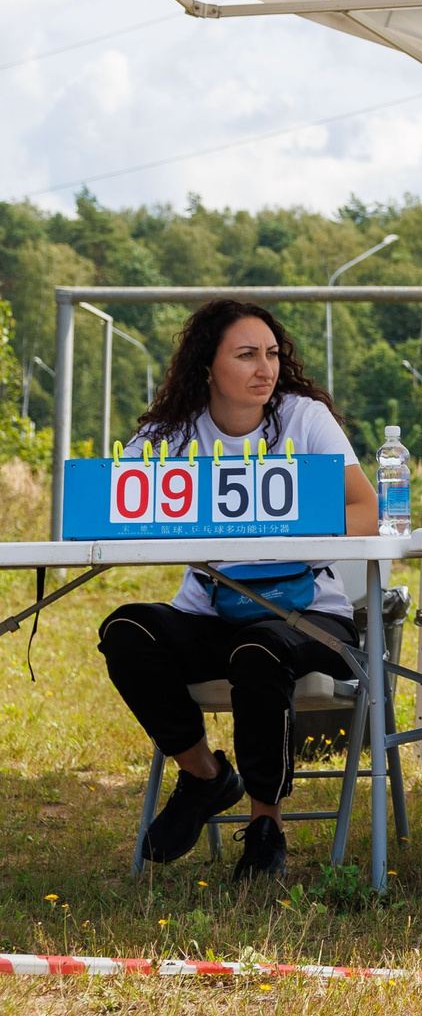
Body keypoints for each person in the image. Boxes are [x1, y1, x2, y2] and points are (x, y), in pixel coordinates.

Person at [98, 299, 380, 880]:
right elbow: (117, 514)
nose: (265, 368)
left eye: (272, 354)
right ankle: (204, 776)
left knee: (259, 651)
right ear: (207, 365)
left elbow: (367, 511)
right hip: (210, 614)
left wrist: (278, 530)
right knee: (125, 629)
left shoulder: (303, 417)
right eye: (247, 355)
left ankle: (265, 824)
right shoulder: (172, 431)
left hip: (309, 616)